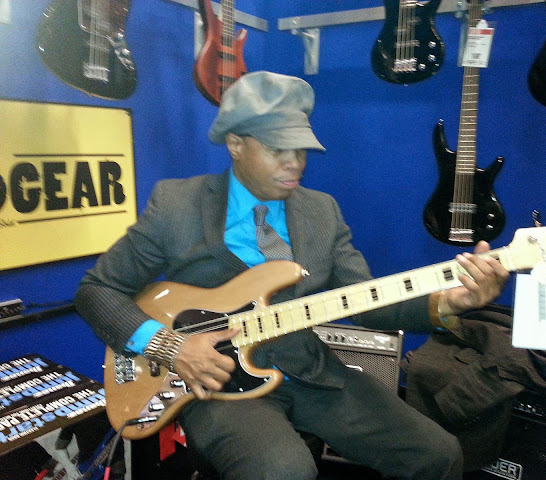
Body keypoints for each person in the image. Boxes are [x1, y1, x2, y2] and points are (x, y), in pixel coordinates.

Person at [75, 71, 509, 480]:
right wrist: (170, 346)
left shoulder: (322, 210)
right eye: (277, 150)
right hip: (215, 381)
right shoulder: (177, 205)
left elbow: (366, 301)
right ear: (236, 144)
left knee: (439, 453)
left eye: (300, 150)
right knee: (284, 472)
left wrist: (448, 302)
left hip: (309, 369)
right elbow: (97, 290)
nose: (294, 164)